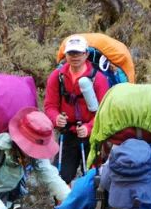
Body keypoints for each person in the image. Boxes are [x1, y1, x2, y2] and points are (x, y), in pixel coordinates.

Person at [44, 35, 110, 184]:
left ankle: (90, 206)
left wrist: (89, 127)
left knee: (93, 177)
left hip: (92, 137)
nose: (74, 57)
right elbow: (50, 106)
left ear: (86, 54)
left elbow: (104, 113)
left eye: (78, 53)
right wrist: (55, 118)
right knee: (60, 178)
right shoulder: (57, 76)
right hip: (67, 135)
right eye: (71, 53)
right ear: (65, 55)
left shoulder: (98, 79)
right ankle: (64, 206)